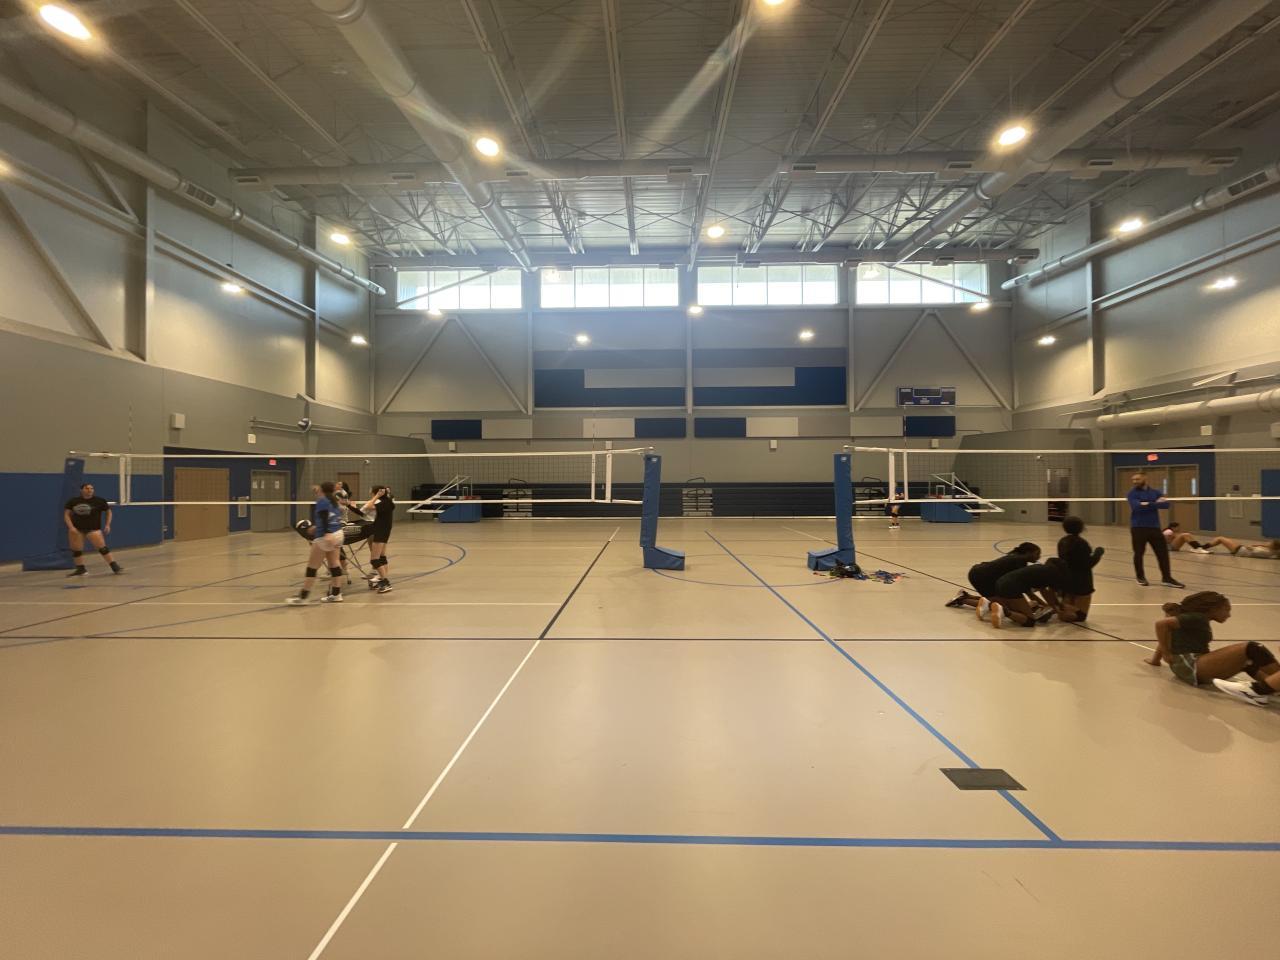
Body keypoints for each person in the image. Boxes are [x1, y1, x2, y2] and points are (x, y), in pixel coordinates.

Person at [1144, 591, 1279, 706]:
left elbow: (1169, 633)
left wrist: (1156, 660)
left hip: (1186, 668)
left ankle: (1272, 687)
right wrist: (1166, 654)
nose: (1229, 615)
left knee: (1247, 662)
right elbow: (1161, 625)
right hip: (1192, 665)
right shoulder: (1197, 618)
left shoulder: (1194, 618)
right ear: (1213, 609)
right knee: (1252, 648)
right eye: (1226, 610)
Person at [286, 481, 346, 604]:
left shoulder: (322, 501)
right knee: (334, 564)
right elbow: (334, 515)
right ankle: (336, 594)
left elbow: (324, 517)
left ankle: (303, 597)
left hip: (326, 536)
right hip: (338, 533)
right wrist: (317, 527)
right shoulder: (334, 501)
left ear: (322, 490)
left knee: (312, 567)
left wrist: (327, 532)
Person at [945, 541, 1040, 613]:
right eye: (1037, 554)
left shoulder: (1017, 557)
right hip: (982, 576)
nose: (1039, 557)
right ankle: (962, 600)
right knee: (999, 606)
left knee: (1001, 601)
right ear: (1028, 552)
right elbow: (1026, 590)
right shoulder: (1020, 561)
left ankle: (966, 596)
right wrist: (1042, 604)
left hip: (981, 573)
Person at [1127, 472, 1184, 588]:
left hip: (1154, 527)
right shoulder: (1132, 493)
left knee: (1163, 553)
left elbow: (1166, 505)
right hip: (1138, 527)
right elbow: (1136, 507)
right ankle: (1140, 577)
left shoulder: (1155, 492)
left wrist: (1146, 504)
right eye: (1133, 480)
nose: (1135, 482)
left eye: (1137, 479)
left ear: (1144, 478)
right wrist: (1155, 503)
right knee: (1139, 553)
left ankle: (1167, 578)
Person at [988, 557, 1073, 628]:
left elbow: (1037, 594)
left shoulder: (1040, 568)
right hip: (1010, 587)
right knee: (1030, 621)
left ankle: (995, 607)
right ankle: (1004, 611)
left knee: (1019, 616)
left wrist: (1049, 607)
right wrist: (1056, 610)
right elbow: (1046, 593)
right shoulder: (1051, 573)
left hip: (1001, 583)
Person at [63, 482, 123, 577]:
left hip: (93, 529)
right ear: (81, 490)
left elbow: (109, 512)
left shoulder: (99, 501)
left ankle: (114, 566)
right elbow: (66, 514)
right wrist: (71, 527)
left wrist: (107, 525)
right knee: (76, 550)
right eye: (87, 488)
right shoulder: (73, 501)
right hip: (77, 529)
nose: (90, 490)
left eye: (91, 488)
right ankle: (80, 569)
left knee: (102, 548)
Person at [1057, 516, 1104, 622]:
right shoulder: (1081, 543)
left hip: (1066, 578)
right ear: (1081, 528)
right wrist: (1098, 553)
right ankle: (1056, 608)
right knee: (1080, 617)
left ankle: (1060, 608)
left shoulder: (1062, 541)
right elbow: (1087, 564)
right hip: (1082, 580)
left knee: (1068, 606)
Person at [360, 485, 396, 594]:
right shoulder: (388, 501)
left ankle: (386, 583)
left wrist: (376, 496)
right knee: (382, 557)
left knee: (374, 560)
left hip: (380, 532)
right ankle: (382, 580)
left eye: (372, 491)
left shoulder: (383, 503)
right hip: (384, 531)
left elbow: (368, 507)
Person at [1188, 536, 1280, 559]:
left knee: (1220, 539)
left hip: (1240, 551)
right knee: (1222, 539)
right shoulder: (1273, 551)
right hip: (1241, 549)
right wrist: (1263, 545)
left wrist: (1251, 547)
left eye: (1270, 543)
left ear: (1273, 546)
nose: (1268, 543)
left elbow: (1253, 550)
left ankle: (1201, 548)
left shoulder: (1266, 552)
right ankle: (1201, 548)